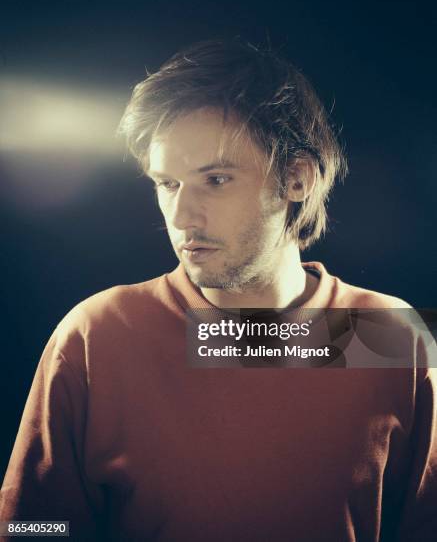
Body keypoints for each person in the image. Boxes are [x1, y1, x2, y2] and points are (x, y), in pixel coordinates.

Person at [1, 39, 436, 541]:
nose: (182, 217)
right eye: (167, 184)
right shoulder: (98, 334)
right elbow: (32, 525)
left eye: (216, 178)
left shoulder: (391, 336)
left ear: (297, 178)